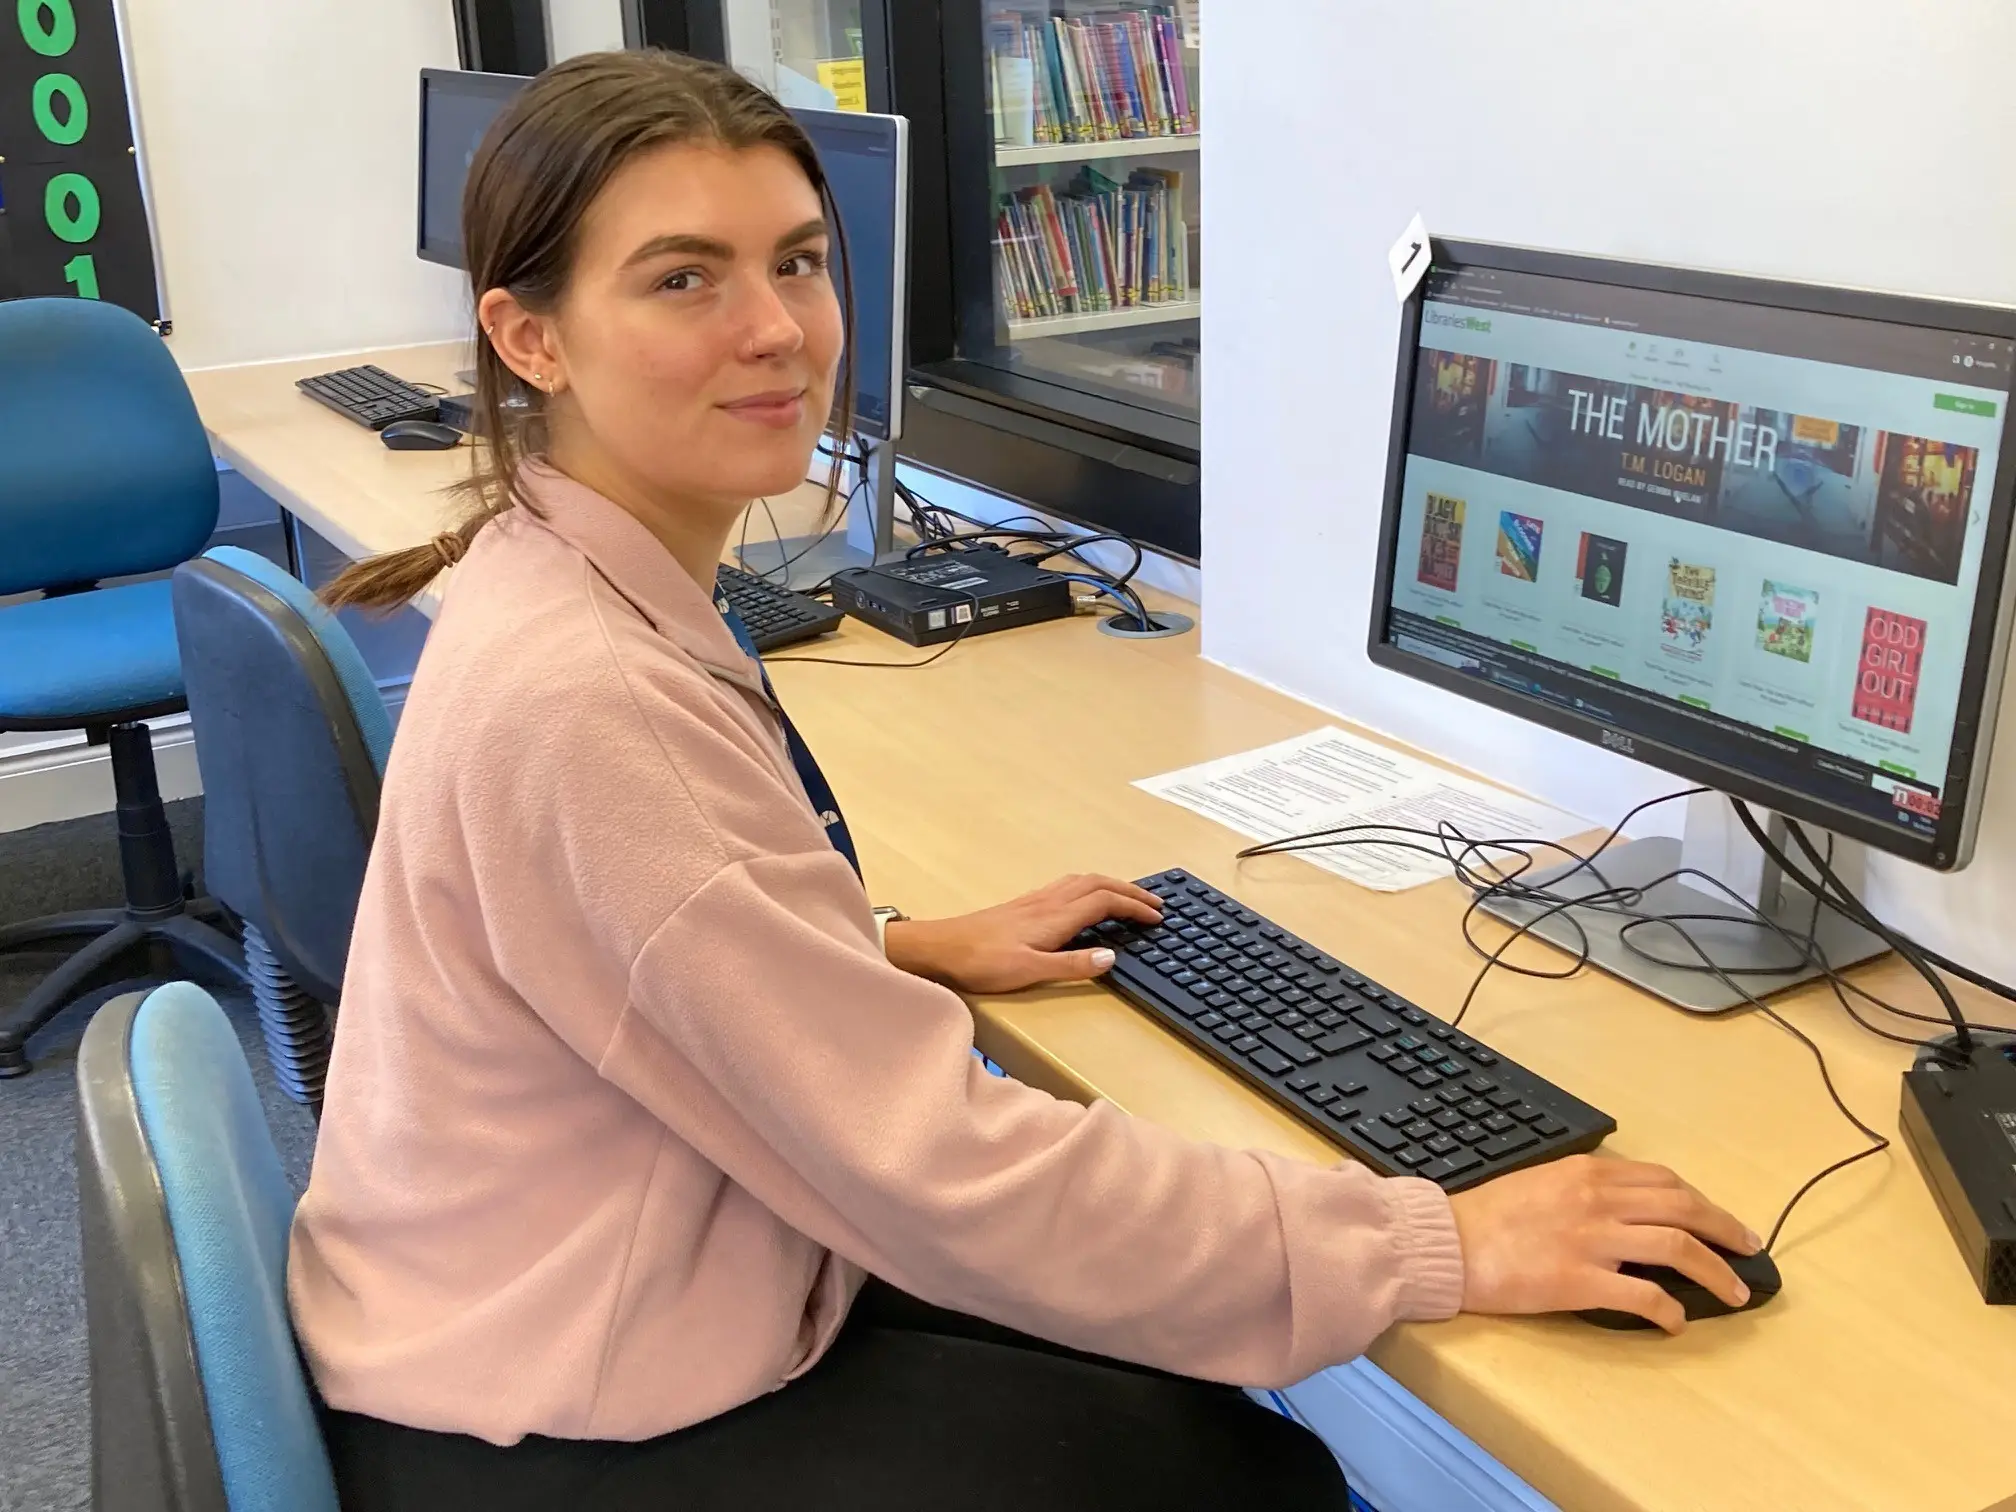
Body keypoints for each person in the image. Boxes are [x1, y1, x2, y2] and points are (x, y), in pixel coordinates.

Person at [294, 50, 1761, 1512]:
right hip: (551, 1415)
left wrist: (874, 953)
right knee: (1245, 1473)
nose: (779, 332)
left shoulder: (553, 571)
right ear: (530, 339)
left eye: (800, 262)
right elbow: (939, 1171)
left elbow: (643, 939)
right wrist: (1439, 1243)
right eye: (684, 279)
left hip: (534, 1297)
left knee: (1165, 1371)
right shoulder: (592, 699)